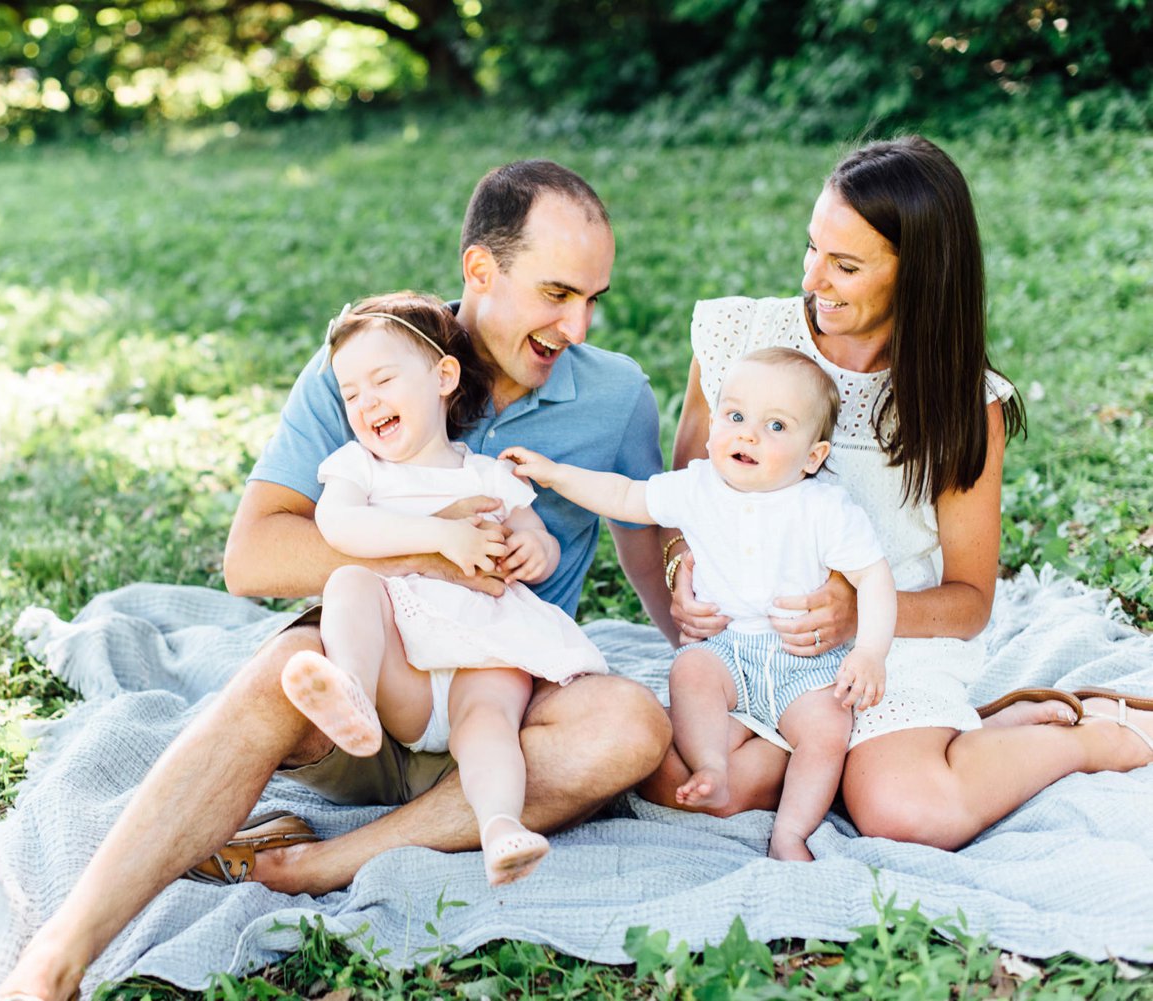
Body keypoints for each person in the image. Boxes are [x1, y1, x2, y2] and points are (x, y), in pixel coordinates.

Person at [0, 160, 676, 1001]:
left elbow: (655, 555)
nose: (578, 323)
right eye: (558, 293)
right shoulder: (369, 364)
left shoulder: (615, 397)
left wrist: (716, 682)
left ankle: (329, 861)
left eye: (593, 298)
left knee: (631, 725)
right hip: (362, 693)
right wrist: (431, 549)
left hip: (504, 706)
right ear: (480, 271)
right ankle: (59, 953)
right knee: (277, 673)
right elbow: (252, 558)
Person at [640, 135, 1153, 849]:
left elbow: (971, 602)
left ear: (916, 275)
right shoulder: (742, 338)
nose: (815, 279)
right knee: (684, 784)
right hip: (761, 641)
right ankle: (905, 745)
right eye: (812, 247)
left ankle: (1088, 735)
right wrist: (679, 563)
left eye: (846, 265)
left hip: (893, 641)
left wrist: (858, 615)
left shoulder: (958, 401)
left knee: (902, 810)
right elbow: (687, 489)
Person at [504, 346, 896, 861]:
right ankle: (711, 763)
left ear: (813, 456)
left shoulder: (823, 507)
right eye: (735, 417)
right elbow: (624, 496)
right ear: (714, 426)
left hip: (804, 661)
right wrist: (555, 475)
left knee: (827, 730)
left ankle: (792, 832)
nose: (749, 434)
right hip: (727, 650)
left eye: (776, 426)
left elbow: (874, 577)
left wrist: (869, 652)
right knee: (691, 672)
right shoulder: (698, 488)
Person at [286, 291, 613, 885]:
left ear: (443, 376)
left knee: (488, 727)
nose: (366, 402)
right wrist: (438, 536)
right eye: (351, 393)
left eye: (382, 380)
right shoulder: (357, 467)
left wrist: (533, 551)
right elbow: (338, 525)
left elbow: (533, 533)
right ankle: (352, 694)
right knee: (350, 583)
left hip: (486, 655)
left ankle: (499, 827)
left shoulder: (486, 475)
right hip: (404, 673)